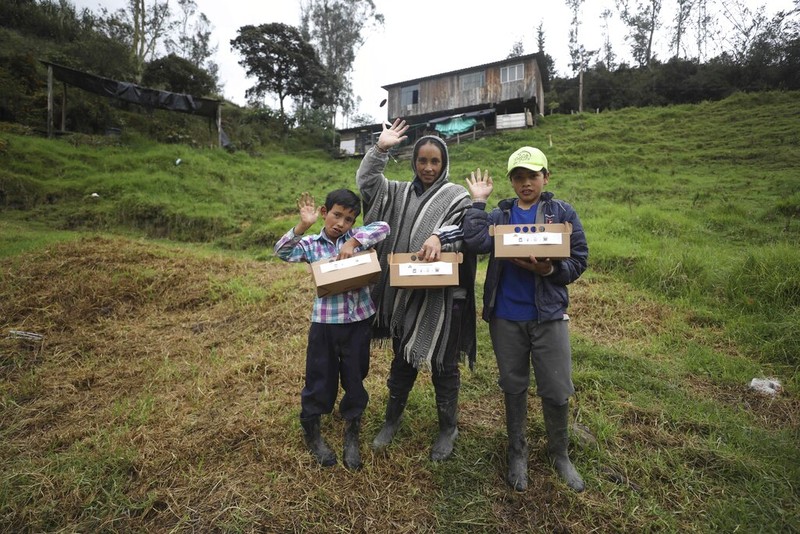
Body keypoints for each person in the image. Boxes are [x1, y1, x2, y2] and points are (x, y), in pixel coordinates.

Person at [462, 146, 588, 492]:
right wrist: (478, 202)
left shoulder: (562, 213)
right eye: (519, 177)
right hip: (506, 316)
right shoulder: (500, 216)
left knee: (557, 387)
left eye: (532, 175)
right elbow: (474, 241)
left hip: (549, 315)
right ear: (512, 182)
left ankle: (559, 453)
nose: (526, 183)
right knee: (513, 384)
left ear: (546, 177)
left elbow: (579, 259)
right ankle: (517, 451)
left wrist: (549, 270)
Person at [356, 119, 476, 461]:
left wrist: (440, 237)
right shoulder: (397, 193)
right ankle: (391, 421)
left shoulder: (456, 196)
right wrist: (380, 149)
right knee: (402, 361)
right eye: (422, 160)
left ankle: (447, 428)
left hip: (443, 297)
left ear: (444, 163)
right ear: (414, 161)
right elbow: (367, 184)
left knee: (445, 366)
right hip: (403, 294)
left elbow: (466, 229)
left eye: (434, 161)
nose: (428, 167)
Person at [274, 189, 390, 470]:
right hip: (325, 324)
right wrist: (303, 225)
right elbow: (282, 251)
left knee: (355, 375)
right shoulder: (312, 244)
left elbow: (384, 227)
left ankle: (352, 428)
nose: (341, 223)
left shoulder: (358, 238)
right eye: (337, 215)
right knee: (320, 376)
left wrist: (352, 241)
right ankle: (312, 429)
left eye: (348, 219)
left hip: (358, 322)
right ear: (325, 213)